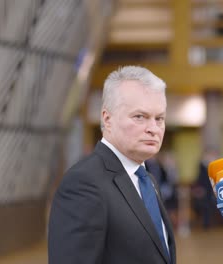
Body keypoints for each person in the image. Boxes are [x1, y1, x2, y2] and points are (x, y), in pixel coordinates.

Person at [48, 66, 176, 264]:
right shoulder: (83, 183)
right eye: (139, 117)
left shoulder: (147, 180)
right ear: (107, 120)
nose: (153, 128)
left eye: (159, 118)